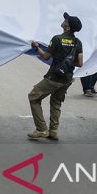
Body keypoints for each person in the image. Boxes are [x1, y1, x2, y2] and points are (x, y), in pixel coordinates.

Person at [27, 12, 83, 141]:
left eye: (66, 21)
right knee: (56, 102)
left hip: (54, 77)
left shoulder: (57, 39)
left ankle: (41, 129)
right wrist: (67, 61)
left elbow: (45, 56)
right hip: (67, 79)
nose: (64, 21)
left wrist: (36, 47)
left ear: (67, 27)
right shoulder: (78, 42)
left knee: (33, 96)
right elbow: (80, 63)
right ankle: (53, 131)